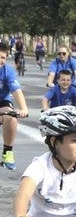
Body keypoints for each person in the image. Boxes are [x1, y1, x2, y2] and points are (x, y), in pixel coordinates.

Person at [0, 41, 30, 170]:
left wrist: (24, 108)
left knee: (11, 117)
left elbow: (16, 91)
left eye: (3, 57)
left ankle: (7, 153)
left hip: (2, 102)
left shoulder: (8, 72)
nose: (0, 60)